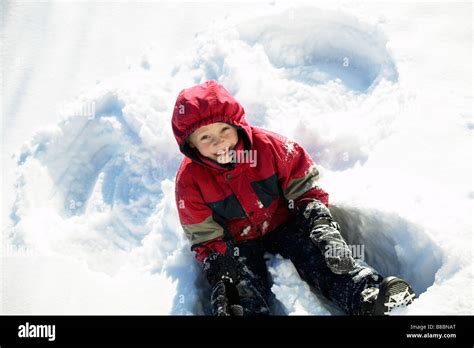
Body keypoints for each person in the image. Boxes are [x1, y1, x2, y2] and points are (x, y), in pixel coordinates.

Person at [172, 80, 415, 316]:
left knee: (324, 255)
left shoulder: (268, 148)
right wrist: (220, 263)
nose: (219, 141)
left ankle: (367, 297)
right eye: (205, 137)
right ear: (190, 145)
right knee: (238, 284)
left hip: (285, 224)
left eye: (225, 129)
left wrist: (318, 221)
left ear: (237, 125)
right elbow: (203, 232)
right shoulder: (189, 181)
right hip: (238, 243)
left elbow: (304, 188)